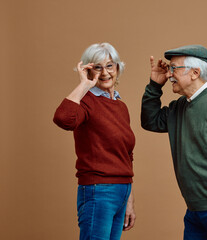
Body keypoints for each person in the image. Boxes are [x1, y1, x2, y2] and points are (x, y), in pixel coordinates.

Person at [141, 45, 207, 240]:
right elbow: (150, 121)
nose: (169, 74)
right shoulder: (179, 107)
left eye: (174, 68)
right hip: (194, 211)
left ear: (194, 73)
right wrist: (155, 85)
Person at [53, 42, 136, 240]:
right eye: (97, 67)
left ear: (117, 68)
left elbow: (126, 155)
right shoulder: (86, 101)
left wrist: (129, 199)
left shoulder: (120, 106)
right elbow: (63, 119)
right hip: (98, 191)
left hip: (121, 192)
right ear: (88, 71)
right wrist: (83, 85)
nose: (105, 72)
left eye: (109, 65)